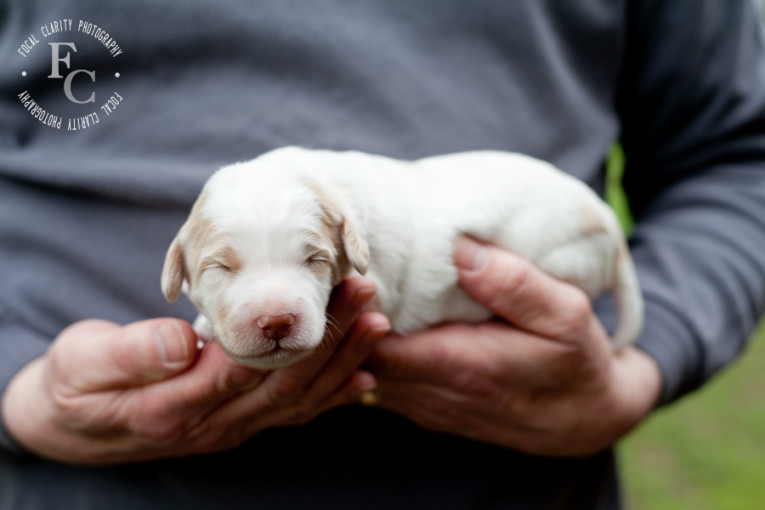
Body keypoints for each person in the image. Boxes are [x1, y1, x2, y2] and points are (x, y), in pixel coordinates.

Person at [1, 0, 764, 508]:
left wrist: (641, 358)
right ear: (180, 267)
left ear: (346, 247)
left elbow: (739, 154)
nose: (271, 311)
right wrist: (13, 380)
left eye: (306, 261)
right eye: (220, 269)